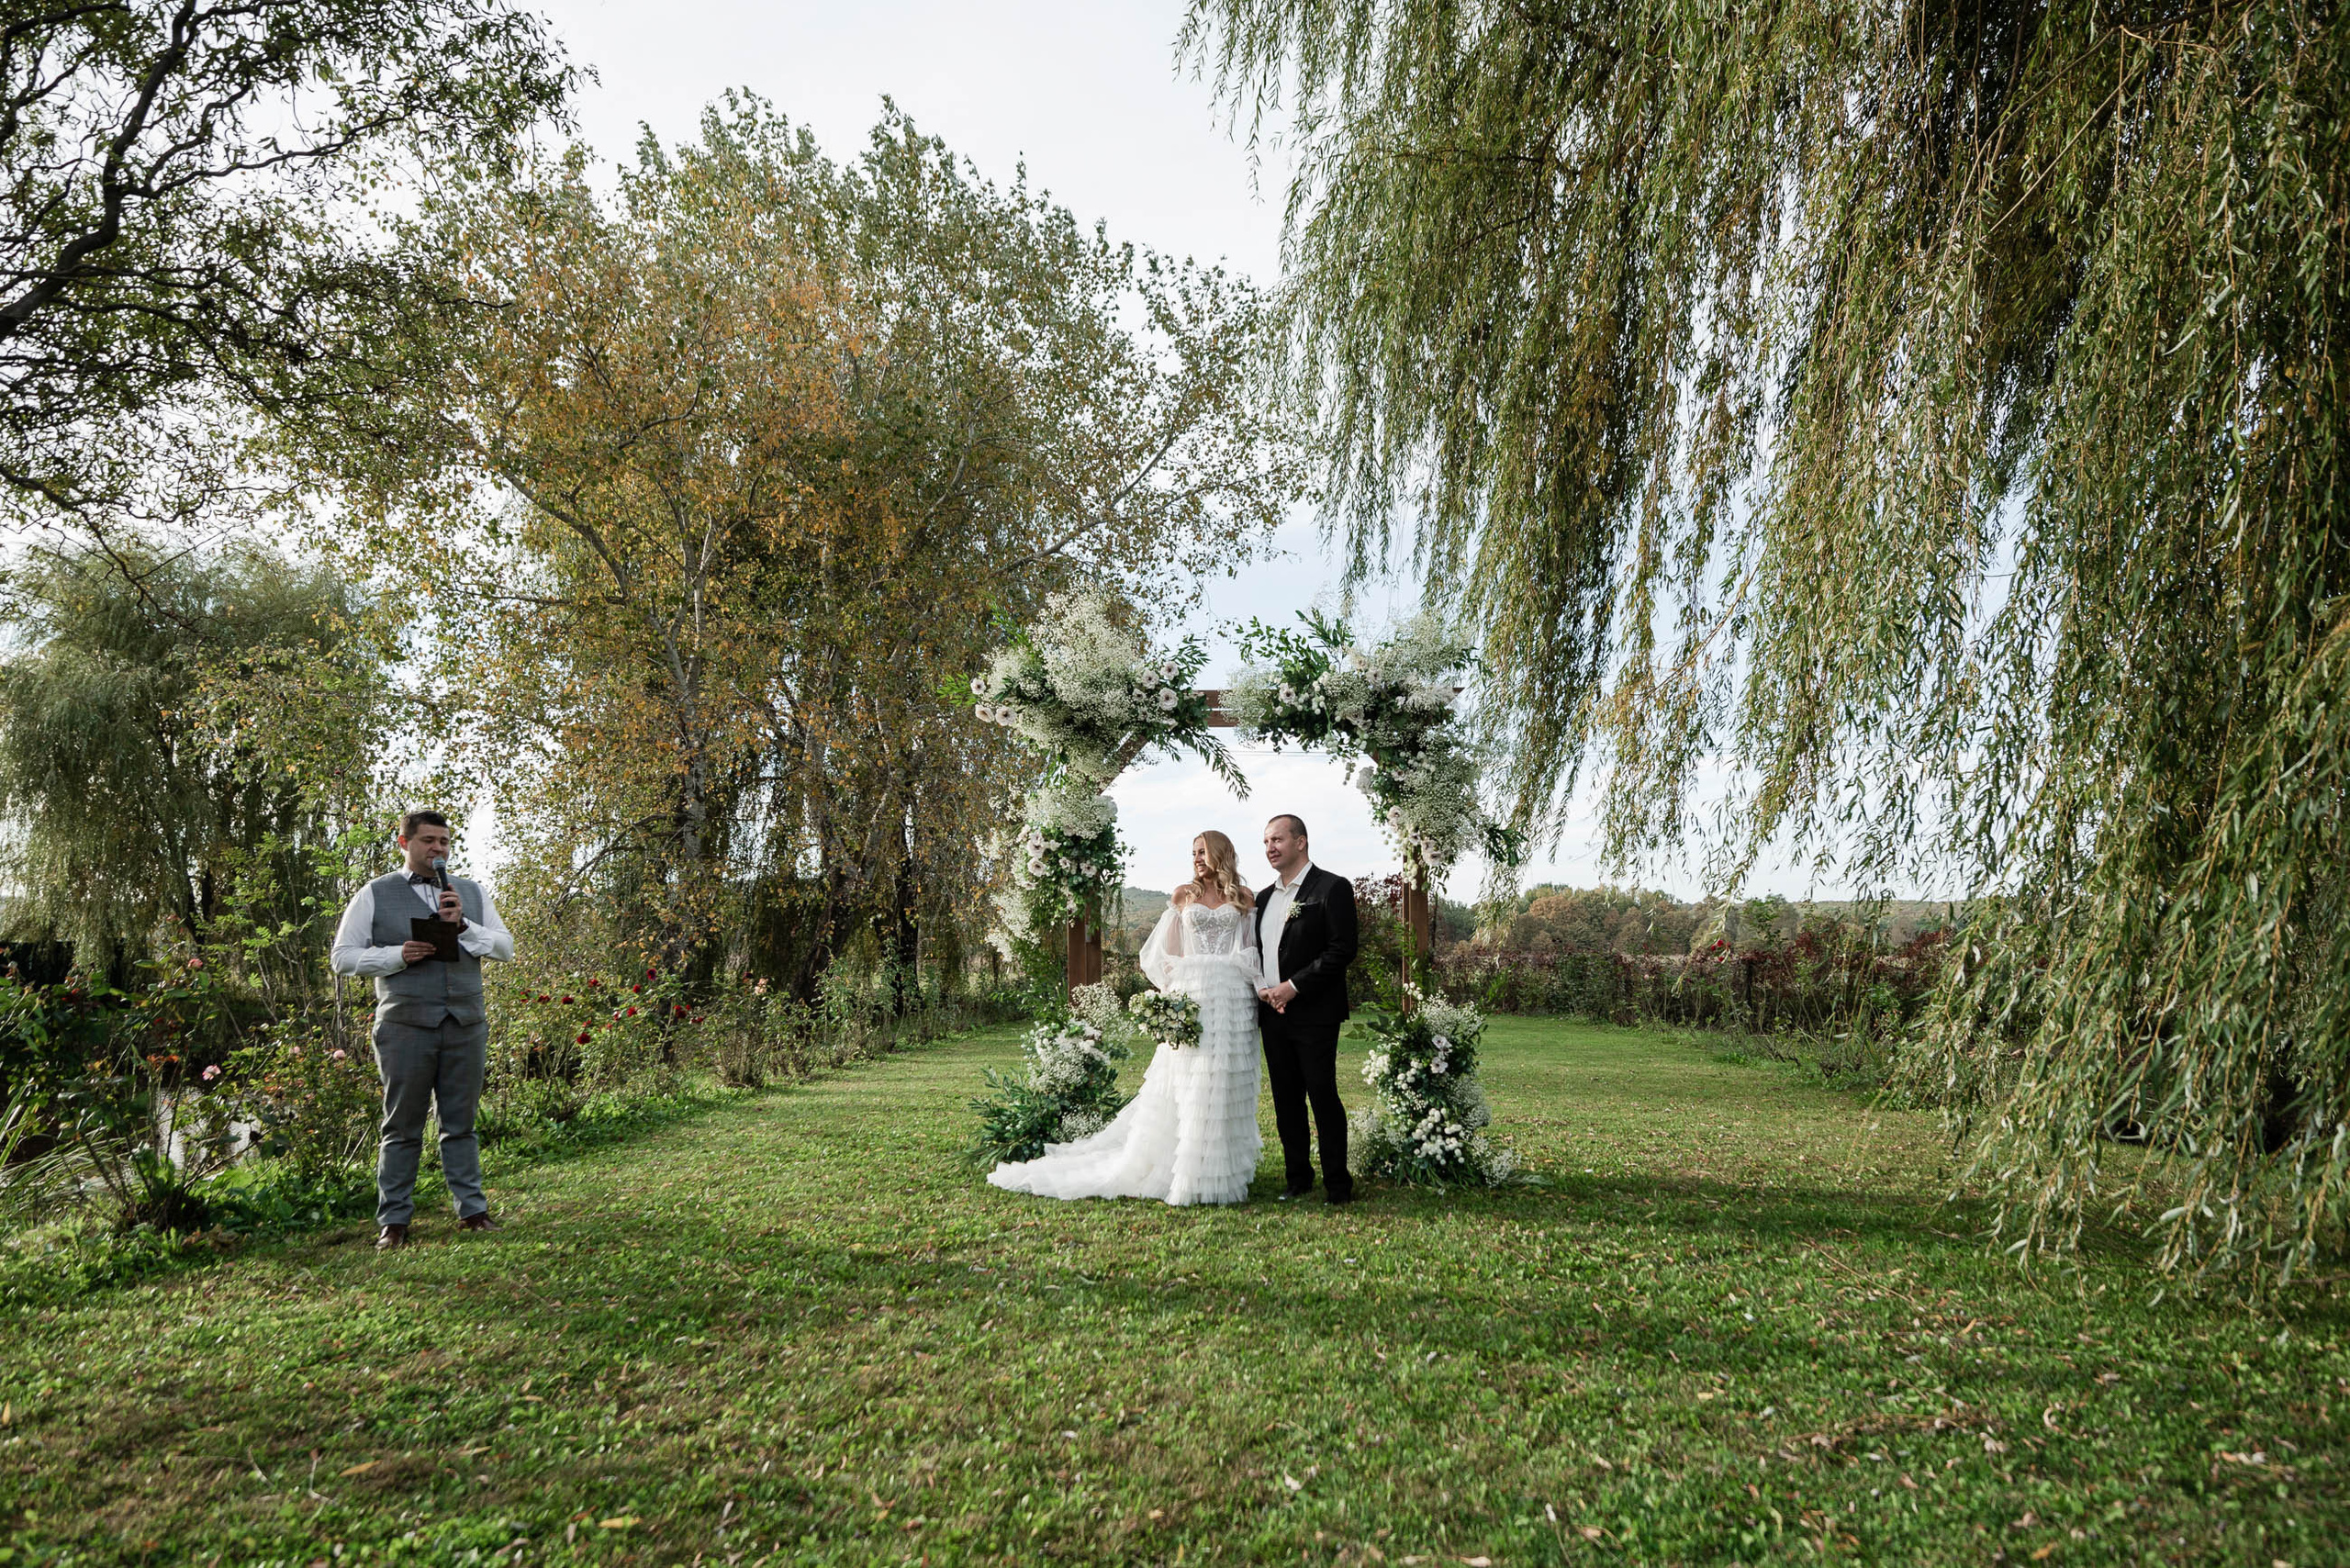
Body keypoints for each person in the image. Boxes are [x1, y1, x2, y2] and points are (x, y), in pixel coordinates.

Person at [988, 830, 1265, 1206]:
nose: (1197, 858)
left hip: (1233, 1000)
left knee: (1228, 1082)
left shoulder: (1244, 898)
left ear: (1221, 853)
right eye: (1193, 852)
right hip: (1195, 993)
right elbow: (1165, 955)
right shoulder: (1184, 895)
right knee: (1192, 1083)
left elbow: (1250, 954)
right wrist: (1171, 1002)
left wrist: (1258, 989)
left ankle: (1222, 1171)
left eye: (1203, 851)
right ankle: (1189, 1173)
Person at [330, 810, 515, 1250]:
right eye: (428, 841)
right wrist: (396, 955)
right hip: (405, 1024)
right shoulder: (374, 893)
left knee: (461, 1123)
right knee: (402, 1125)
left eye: (444, 842)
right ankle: (394, 1221)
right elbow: (343, 957)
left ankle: (472, 1212)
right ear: (404, 843)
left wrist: (465, 925)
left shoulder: (469, 892)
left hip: (465, 1023)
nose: (437, 849)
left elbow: (505, 948)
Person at [1254, 813, 1359, 1204]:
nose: (1270, 848)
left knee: (1322, 1095)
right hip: (1272, 1014)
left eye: (1278, 840)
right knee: (1285, 1100)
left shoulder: (1331, 888)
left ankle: (1337, 1184)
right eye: (1266, 842)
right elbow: (1257, 953)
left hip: (1314, 1013)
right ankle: (1297, 1178)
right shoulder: (1263, 899)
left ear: (1301, 842)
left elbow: (1342, 950)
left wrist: (1293, 987)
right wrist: (1263, 989)